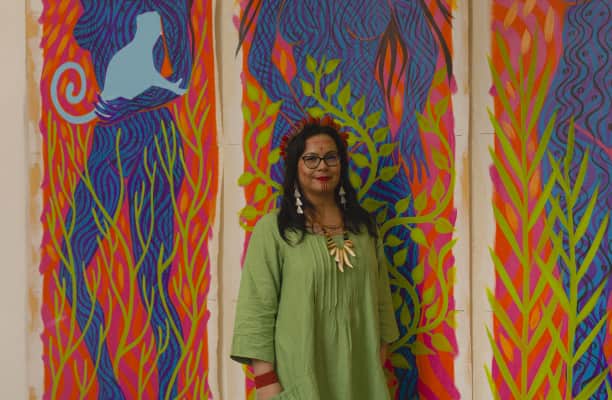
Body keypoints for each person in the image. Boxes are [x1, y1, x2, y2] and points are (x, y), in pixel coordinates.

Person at [231, 115, 399, 399]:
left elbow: (382, 301)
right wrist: (266, 381)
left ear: (341, 165)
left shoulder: (364, 229)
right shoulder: (274, 230)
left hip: (362, 377)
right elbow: (256, 309)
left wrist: (376, 361)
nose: (322, 166)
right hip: (299, 376)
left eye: (331, 157)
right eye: (311, 159)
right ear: (295, 166)